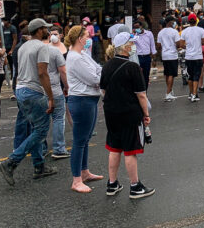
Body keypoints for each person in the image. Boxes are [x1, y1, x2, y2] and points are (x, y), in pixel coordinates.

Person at [0, 18, 57, 185]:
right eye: (46, 28)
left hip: (21, 90)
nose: (48, 31)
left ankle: (39, 166)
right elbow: (42, 73)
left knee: (35, 128)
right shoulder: (41, 47)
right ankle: (11, 162)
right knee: (41, 130)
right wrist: (51, 97)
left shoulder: (23, 47)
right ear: (39, 30)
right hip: (33, 92)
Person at [101, 32, 155, 199]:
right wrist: (146, 114)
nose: (133, 46)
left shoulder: (107, 65)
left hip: (111, 112)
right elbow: (141, 95)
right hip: (130, 113)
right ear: (124, 47)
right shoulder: (132, 67)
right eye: (131, 44)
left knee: (114, 148)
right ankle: (135, 186)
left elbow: (103, 90)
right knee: (130, 150)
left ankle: (112, 183)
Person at [65, 25, 103, 193]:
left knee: (85, 138)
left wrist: (100, 75)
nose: (89, 39)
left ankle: (84, 172)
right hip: (81, 100)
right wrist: (101, 76)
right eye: (87, 36)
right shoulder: (75, 57)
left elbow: (98, 69)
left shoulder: (82, 55)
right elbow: (94, 78)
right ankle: (76, 180)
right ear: (79, 39)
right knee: (79, 141)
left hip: (90, 100)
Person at [46, 28, 69, 160]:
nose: (53, 36)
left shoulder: (32, 50)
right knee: (58, 118)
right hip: (55, 88)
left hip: (39, 89)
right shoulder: (54, 51)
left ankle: (42, 148)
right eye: (51, 34)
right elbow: (63, 71)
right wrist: (67, 87)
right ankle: (59, 148)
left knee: (42, 121)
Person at [181, 14, 204, 102]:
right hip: (198, 56)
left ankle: (191, 93)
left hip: (188, 56)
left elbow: (181, 44)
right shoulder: (200, 30)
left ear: (188, 21)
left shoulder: (184, 31)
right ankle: (195, 95)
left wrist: (188, 47)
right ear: (196, 21)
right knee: (196, 75)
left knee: (190, 76)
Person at [157, 16, 183, 102]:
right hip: (172, 55)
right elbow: (178, 44)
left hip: (165, 55)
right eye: (173, 22)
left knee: (167, 74)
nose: (174, 23)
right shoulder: (174, 32)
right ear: (170, 22)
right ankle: (168, 93)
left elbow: (158, 45)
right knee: (171, 74)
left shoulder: (161, 32)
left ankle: (170, 90)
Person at [132, 20, 157, 91]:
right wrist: (133, 35)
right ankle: (139, 92)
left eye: (137, 27)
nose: (137, 29)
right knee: (138, 76)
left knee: (146, 77)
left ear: (141, 26)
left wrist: (154, 59)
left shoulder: (149, 34)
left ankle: (145, 93)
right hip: (138, 58)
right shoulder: (134, 36)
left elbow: (152, 47)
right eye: (135, 27)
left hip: (147, 57)